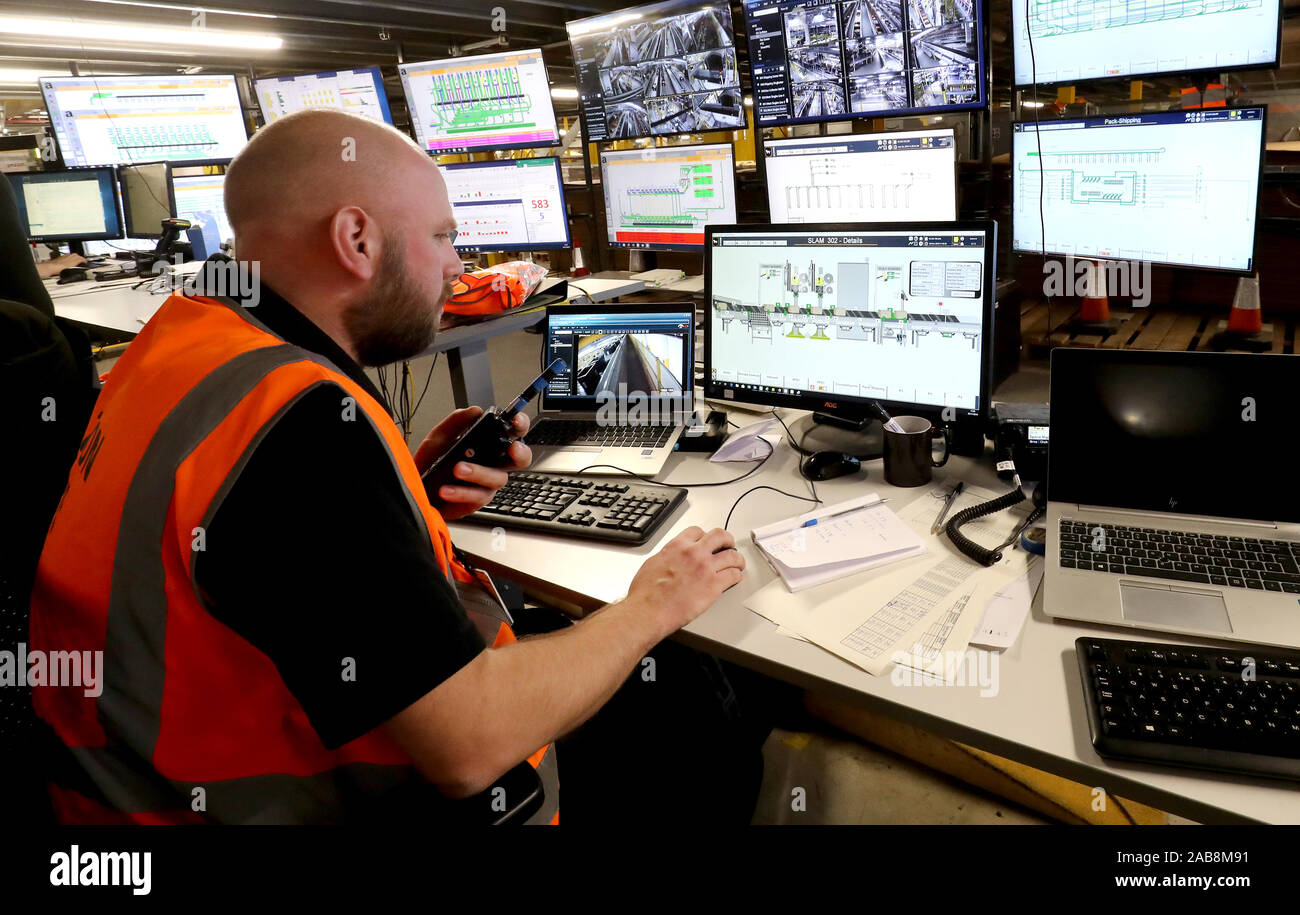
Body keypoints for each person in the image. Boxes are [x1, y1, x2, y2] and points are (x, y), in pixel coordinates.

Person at [28, 109, 747, 824]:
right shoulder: (302, 433)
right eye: (442, 237)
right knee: (687, 687)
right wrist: (654, 602)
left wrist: (405, 492)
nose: (458, 268)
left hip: (118, 791)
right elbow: (470, 747)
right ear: (356, 239)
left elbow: (265, 555)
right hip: (297, 804)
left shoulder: (184, 345)